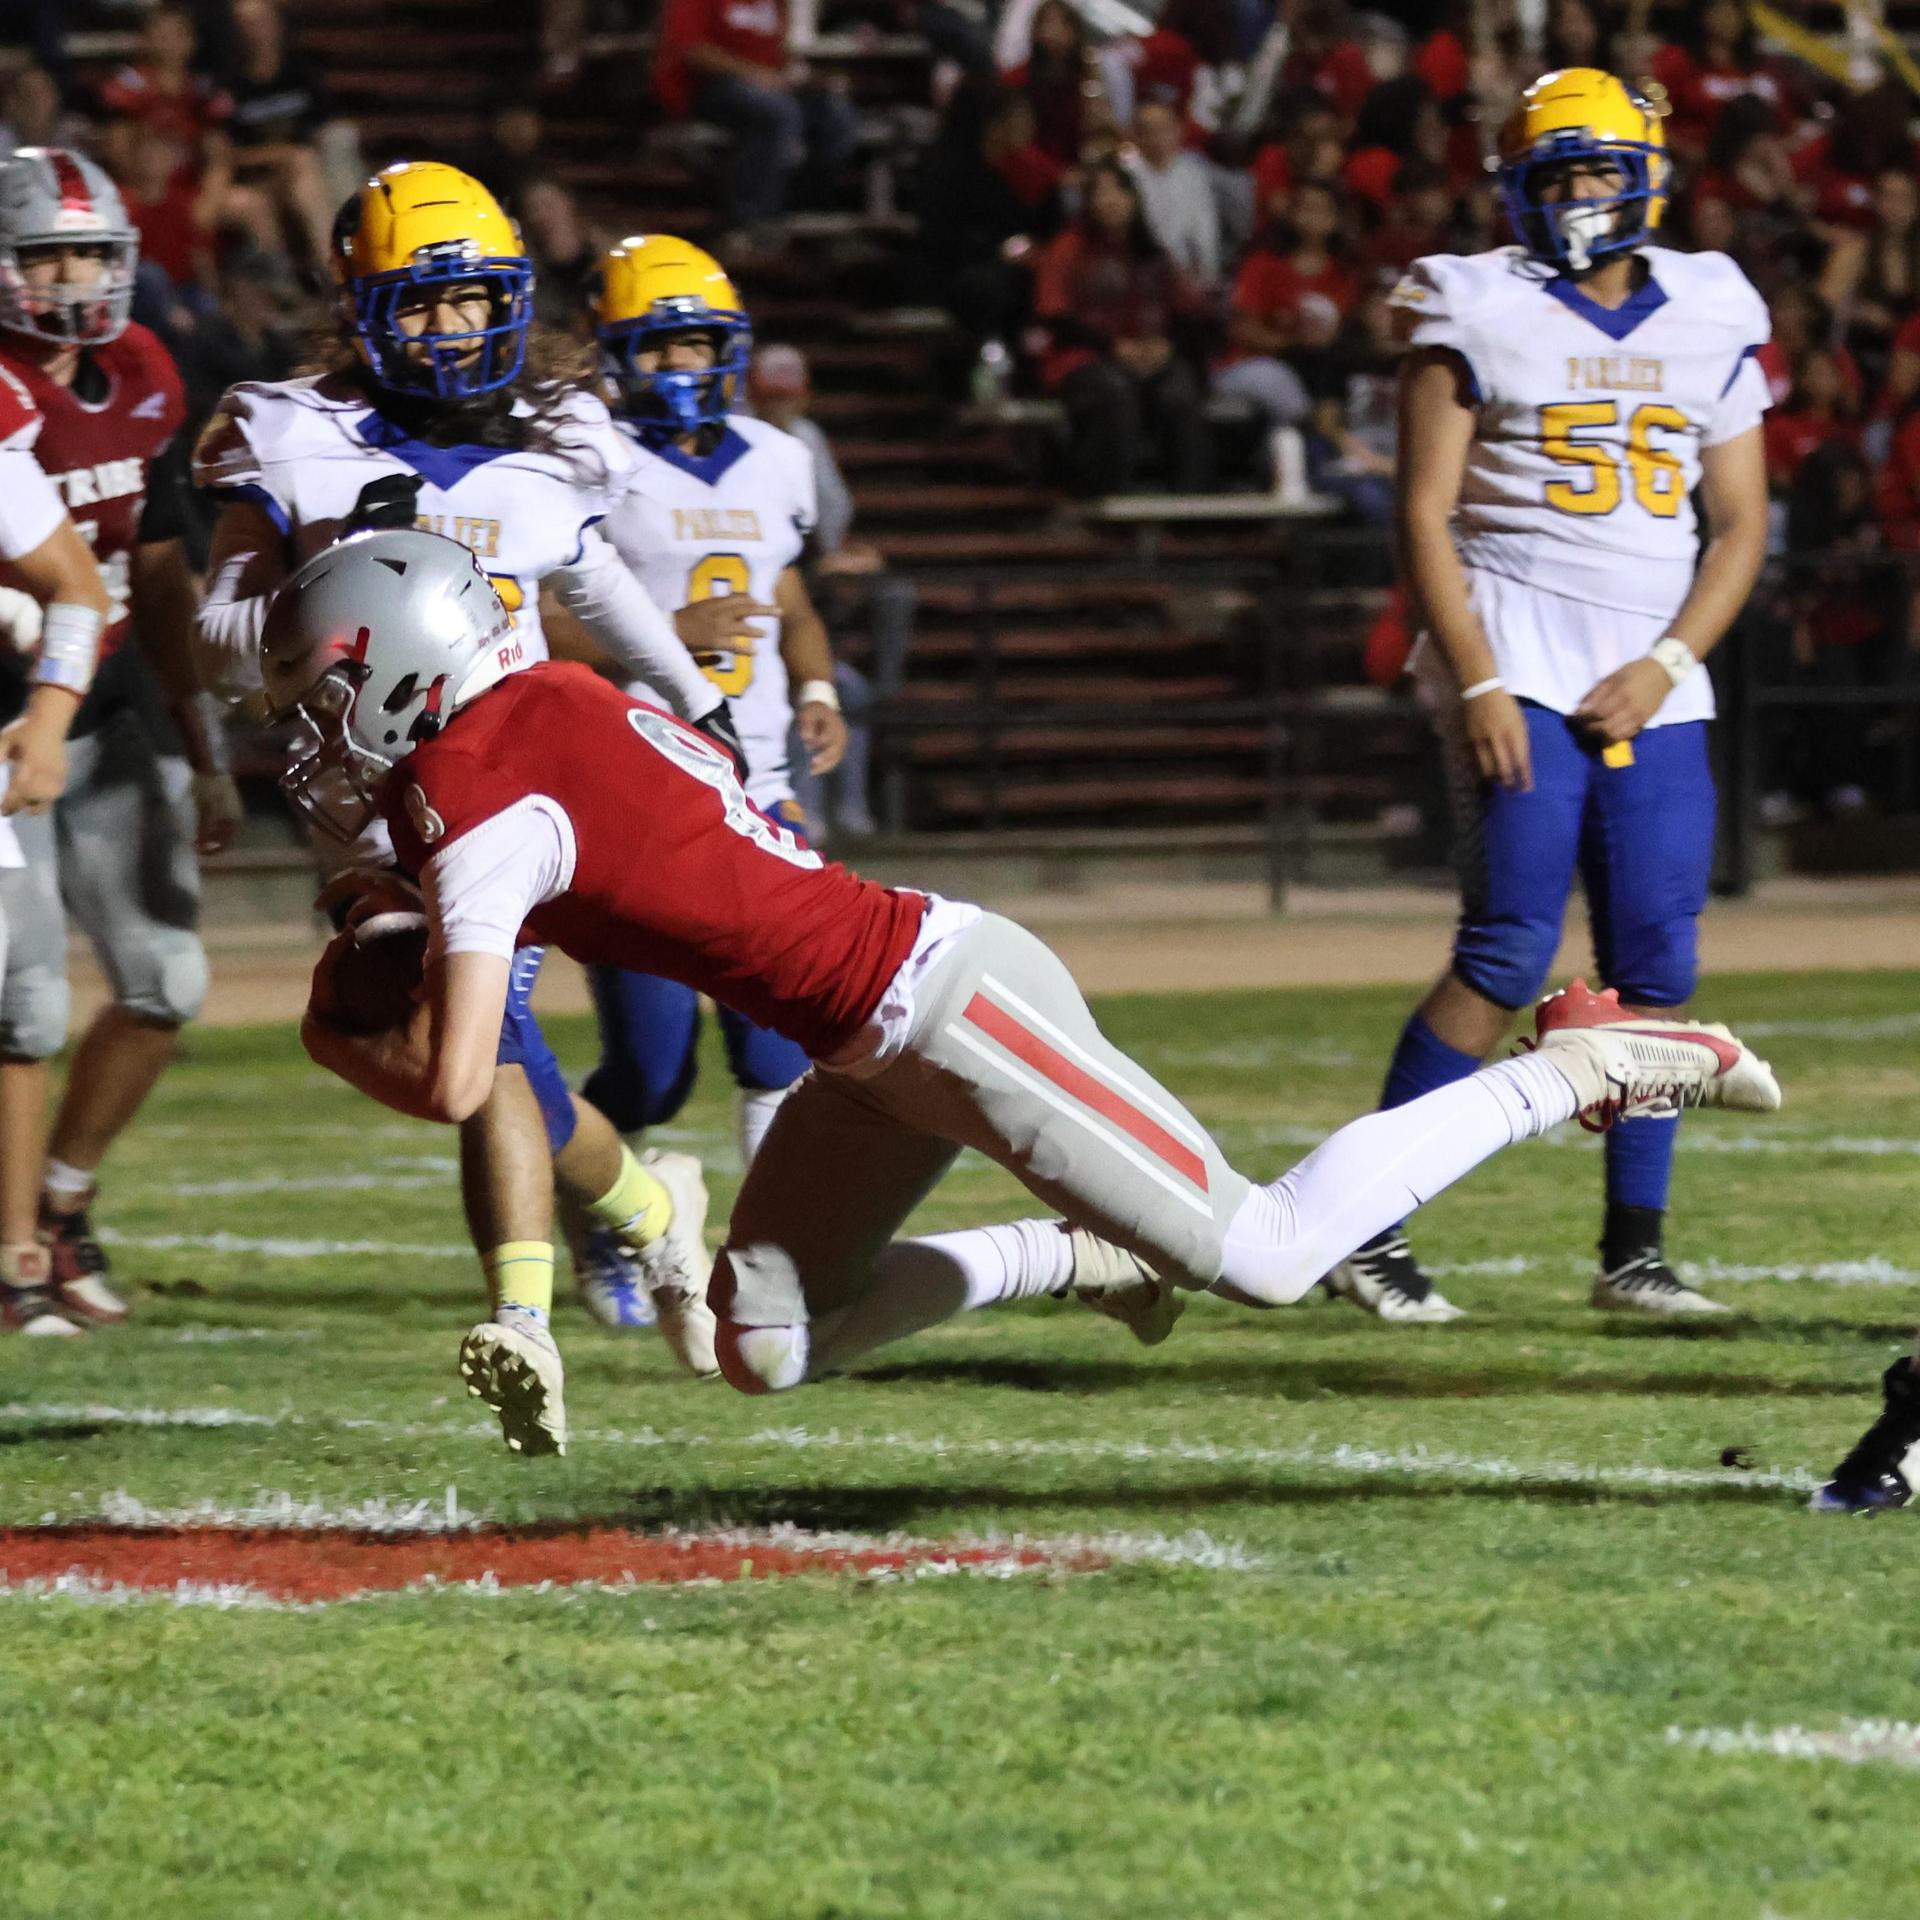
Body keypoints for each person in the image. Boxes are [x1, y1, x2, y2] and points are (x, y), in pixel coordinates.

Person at [267, 527, 1781, 1457]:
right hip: (867, 1039)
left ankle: (1583, 1059)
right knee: (759, 1347)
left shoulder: (481, 805)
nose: (312, 732)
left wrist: (338, 1028)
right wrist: (374, 892)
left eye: (326, 691)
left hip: (949, 998)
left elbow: (466, 1079)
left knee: (1267, 1252)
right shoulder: (550, 707)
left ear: (403, 667)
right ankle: (1084, 1262)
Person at [190, 160, 742, 1345]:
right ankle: (611, 1242)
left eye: (476, 300)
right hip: (372, 805)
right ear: (364, 312)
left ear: (512, 302)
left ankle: (571, 1277)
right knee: (458, 1049)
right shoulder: (297, 438)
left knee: (496, 1044)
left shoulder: (555, 443)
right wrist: (322, 583)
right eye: (423, 304)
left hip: (523, 785)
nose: (454, 329)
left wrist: (699, 704)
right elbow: (214, 647)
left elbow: (599, 586)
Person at [1322, 69, 1773, 1324]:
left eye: (1597, 171)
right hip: (1515, 657)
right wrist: (1471, 675)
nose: (1579, 195)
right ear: (1517, 185)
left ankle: (1635, 1253)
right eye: (1556, 173)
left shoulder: (1710, 304)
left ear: (1648, 177)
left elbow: (1738, 525)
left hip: (1653, 679)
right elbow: (1423, 511)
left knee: (1657, 968)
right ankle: (1366, 1232)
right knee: (1508, 949)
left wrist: (1673, 662)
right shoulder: (1475, 298)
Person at [570, 233, 846, 1324]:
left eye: (701, 341)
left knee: (778, 1048)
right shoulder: (587, 456)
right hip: (631, 792)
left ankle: (778, 1263)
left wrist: (818, 690)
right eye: (662, 343)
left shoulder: (777, 456)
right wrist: (661, 634)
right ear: (616, 351)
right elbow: (535, 616)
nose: (684, 364)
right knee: (652, 1067)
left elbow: (794, 607)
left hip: (756, 786)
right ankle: (604, 1213)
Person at [0, 148, 236, 1334]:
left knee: (166, 980)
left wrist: (202, 746)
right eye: (47, 253)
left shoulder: (143, 367)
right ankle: (9, 1256)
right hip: (4, 732)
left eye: (91, 251)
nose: (75, 277)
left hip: (107, 711)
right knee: (22, 1000)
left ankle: (59, 1205)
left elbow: (154, 571)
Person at [1033, 159, 1212, 496]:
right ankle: (1100, 497)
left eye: (1119, 190)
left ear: (1134, 199)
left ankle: (1192, 503)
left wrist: (1166, 346)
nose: (1110, 199)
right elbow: (1054, 313)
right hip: (1084, 357)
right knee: (1113, 392)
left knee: (1182, 392)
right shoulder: (1068, 247)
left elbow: (1184, 312)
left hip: (1151, 356)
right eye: (1100, 192)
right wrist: (1113, 347)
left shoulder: (1154, 252)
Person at [652, 0, 857, 244]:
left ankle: (801, 210)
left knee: (835, 113)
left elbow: (781, 53)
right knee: (777, 113)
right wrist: (754, 75)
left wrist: (805, 79)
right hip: (708, 87)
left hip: (769, 85)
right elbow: (690, 49)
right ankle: (750, 222)